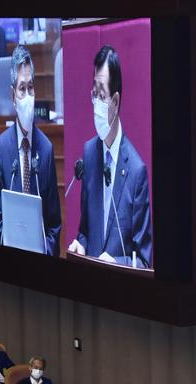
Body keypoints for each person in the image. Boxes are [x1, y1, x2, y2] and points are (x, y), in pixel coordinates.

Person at [68, 45, 152, 268]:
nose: (95, 101)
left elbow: (143, 260)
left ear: (115, 102)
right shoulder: (89, 153)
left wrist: (116, 263)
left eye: (101, 94)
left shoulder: (136, 172)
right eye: (93, 93)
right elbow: (85, 230)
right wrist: (81, 245)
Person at [0, 44, 61, 256]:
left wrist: (43, 255)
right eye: (22, 89)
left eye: (31, 88)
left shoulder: (46, 149)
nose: (28, 95)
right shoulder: (3, 146)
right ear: (13, 96)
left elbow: (54, 225)